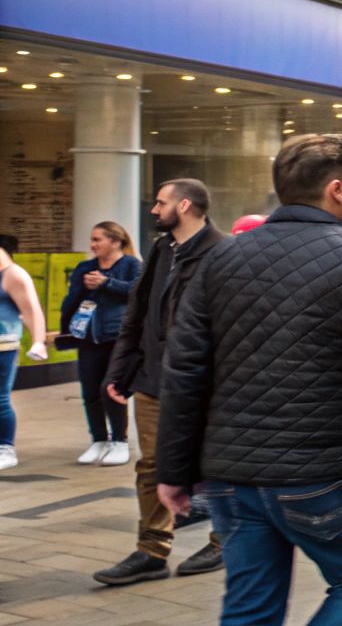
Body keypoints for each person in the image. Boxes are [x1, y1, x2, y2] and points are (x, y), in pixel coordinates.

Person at [156, 133, 342, 626]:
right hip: (326, 469)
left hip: (233, 474)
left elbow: (185, 369)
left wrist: (172, 469)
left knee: (250, 606)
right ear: (337, 189)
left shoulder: (220, 259)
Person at [96, 179, 228, 586]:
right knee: (151, 463)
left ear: (184, 205)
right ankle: (152, 550)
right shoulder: (161, 249)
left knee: (214, 463)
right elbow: (138, 312)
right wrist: (120, 370)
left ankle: (225, 541)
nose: (154, 209)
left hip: (205, 382)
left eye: (160, 202)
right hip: (153, 378)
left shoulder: (224, 252)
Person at [62, 221, 141, 466]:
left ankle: (119, 441)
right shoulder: (85, 267)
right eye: (92, 239)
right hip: (89, 337)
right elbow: (71, 301)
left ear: (115, 242)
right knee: (90, 391)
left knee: (112, 389)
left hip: (118, 338)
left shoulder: (131, 265)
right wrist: (65, 329)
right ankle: (98, 440)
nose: (93, 244)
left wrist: (106, 283)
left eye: (98, 239)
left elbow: (138, 292)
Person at [0, 233, 50, 472]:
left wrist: (38, 341)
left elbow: (32, 311)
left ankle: (5, 447)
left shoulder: (13, 275)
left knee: (0, 399)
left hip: (4, 347)